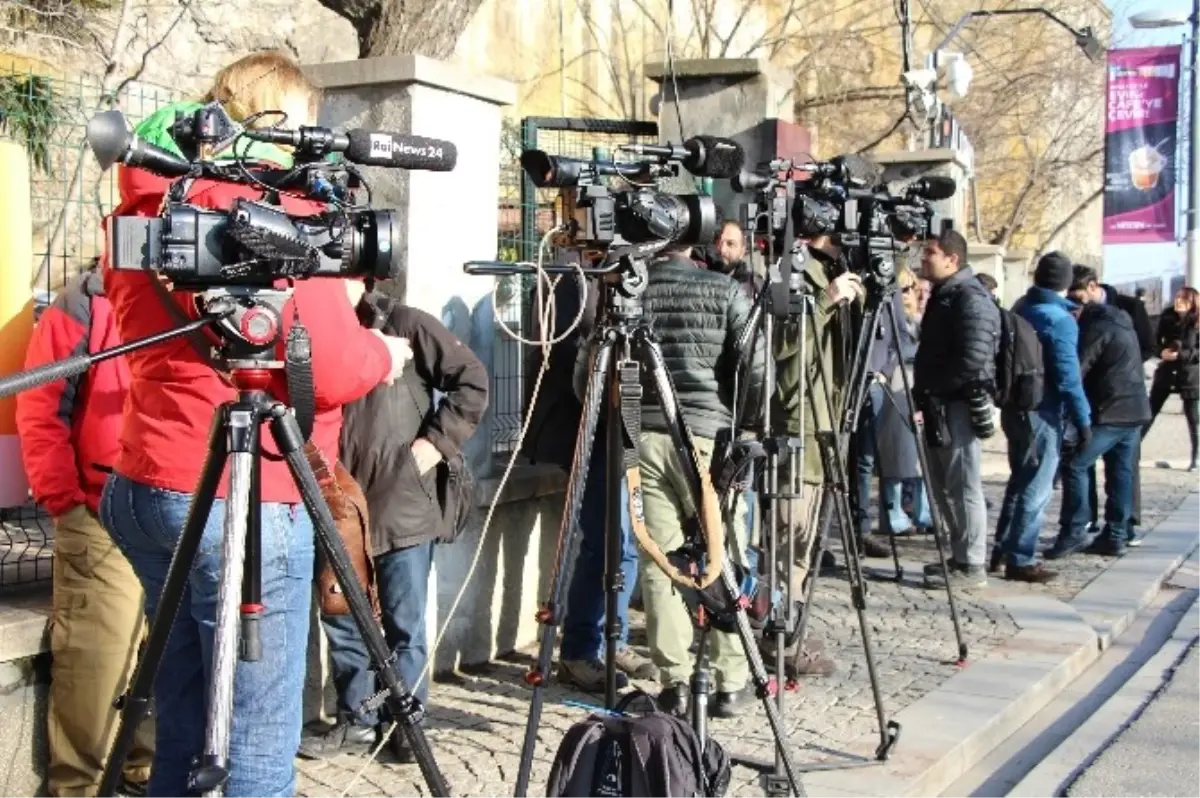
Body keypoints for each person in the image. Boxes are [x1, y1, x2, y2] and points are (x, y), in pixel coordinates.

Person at [98, 52, 412, 796]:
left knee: (182, 718)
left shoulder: (149, 202)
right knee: (257, 741)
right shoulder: (264, 212)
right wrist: (381, 355)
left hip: (147, 482)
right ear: (280, 117)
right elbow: (329, 366)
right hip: (247, 493)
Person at [300, 284, 489, 761]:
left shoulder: (405, 323)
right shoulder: (316, 330)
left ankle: (405, 721)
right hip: (340, 502)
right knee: (344, 621)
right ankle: (360, 719)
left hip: (401, 501)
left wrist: (430, 448)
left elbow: (472, 380)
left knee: (404, 628)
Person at [581, 240, 765, 718]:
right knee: (723, 554)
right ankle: (730, 680)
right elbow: (757, 370)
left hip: (640, 435)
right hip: (709, 437)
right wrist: (743, 427)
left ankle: (675, 682)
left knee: (660, 560)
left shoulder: (625, 294)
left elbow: (588, 377)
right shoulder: (725, 290)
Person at [15, 266, 155, 797]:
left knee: (165, 660)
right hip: (99, 513)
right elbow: (41, 404)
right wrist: (64, 502)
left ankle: (144, 778)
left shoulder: (199, 297)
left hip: (180, 507)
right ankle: (77, 790)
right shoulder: (84, 301)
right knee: (98, 663)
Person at [520, 271, 658, 691]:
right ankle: (582, 650)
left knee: (627, 541)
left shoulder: (629, 280)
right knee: (607, 543)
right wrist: (605, 368)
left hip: (621, 428)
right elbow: (561, 360)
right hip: (585, 428)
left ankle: (609, 636)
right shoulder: (570, 282)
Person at [772, 235, 872, 678]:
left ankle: (790, 626)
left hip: (823, 425)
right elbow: (778, 348)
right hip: (798, 426)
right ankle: (778, 637)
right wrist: (825, 302)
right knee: (784, 543)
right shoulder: (790, 272)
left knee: (802, 547)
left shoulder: (835, 270)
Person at [914, 229, 1001, 589]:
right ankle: (960, 555)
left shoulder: (969, 296)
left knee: (963, 484)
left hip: (959, 403)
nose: (923, 258)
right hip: (940, 402)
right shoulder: (947, 295)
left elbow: (974, 355)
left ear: (953, 259)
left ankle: (973, 563)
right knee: (944, 485)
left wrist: (938, 386)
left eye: (930, 253)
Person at [999, 253, 1090, 566]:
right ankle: (1020, 558)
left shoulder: (1021, 307)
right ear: (1065, 282)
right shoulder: (1059, 319)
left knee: (1018, 481)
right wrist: (1084, 420)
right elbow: (1068, 378)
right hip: (1044, 409)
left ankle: (1003, 548)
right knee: (1037, 488)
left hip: (1014, 405)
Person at [1054, 266, 1150, 557]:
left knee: (1075, 464)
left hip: (1111, 411)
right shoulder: (1120, 319)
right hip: (1134, 409)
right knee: (1120, 472)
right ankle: (1116, 535)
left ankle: (1074, 530)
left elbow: (1078, 369)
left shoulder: (1095, 327)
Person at [875, 267, 932, 536]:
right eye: (907, 289)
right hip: (896, 385)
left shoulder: (922, 322)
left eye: (916, 289)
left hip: (917, 387)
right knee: (896, 456)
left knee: (921, 457)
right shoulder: (892, 320)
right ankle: (892, 515)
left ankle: (923, 513)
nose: (914, 295)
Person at [1146, 287, 1200, 471]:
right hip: (1166, 372)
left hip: (1191, 375)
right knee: (1148, 412)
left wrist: (1182, 355)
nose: (1178, 302)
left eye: (1183, 299)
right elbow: (1153, 342)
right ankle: (1132, 450)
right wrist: (1161, 352)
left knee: (1194, 418)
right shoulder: (1166, 317)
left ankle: (1197, 457)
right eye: (1177, 298)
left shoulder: (1197, 320)